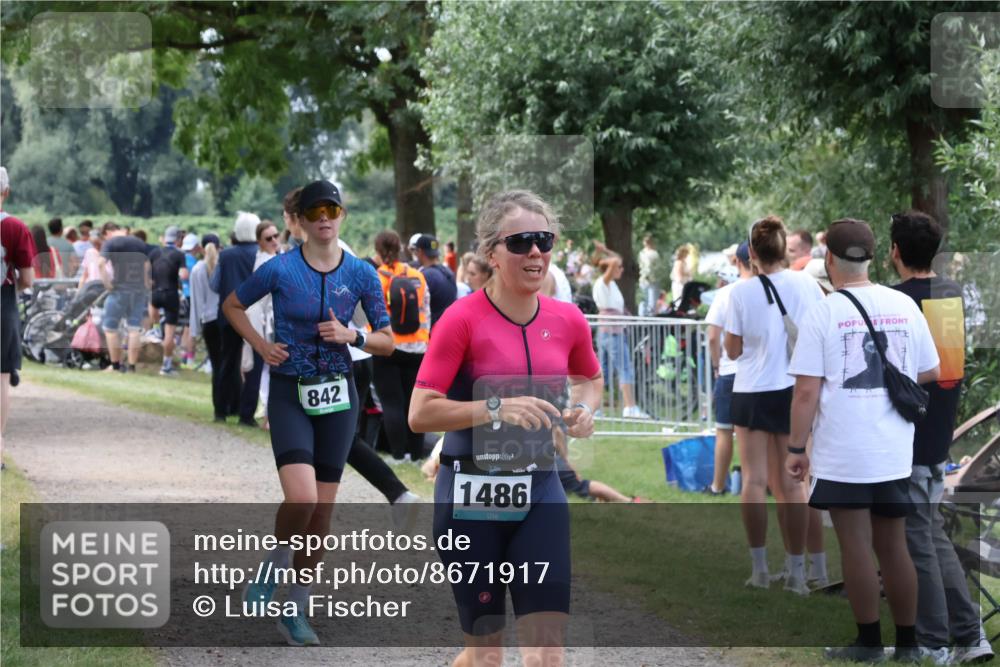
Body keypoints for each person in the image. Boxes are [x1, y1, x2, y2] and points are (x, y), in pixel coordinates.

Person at [409, 189, 603, 667]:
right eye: (520, 243)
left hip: (539, 492)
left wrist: (585, 411)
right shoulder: (461, 320)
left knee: (548, 651)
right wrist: (495, 407)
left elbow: (591, 379)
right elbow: (420, 413)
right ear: (492, 253)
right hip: (470, 499)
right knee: (487, 655)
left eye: (544, 240)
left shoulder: (568, 319)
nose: (535, 252)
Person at [226, 179, 394, 646]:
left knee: (322, 513)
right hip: (290, 391)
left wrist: (352, 336)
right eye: (314, 210)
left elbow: (387, 339)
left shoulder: (361, 273)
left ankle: (294, 609)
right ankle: (274, 564)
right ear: (299, 220)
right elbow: (233, 304)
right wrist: (261, 345)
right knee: (302, 499)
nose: (324, 216)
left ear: (342, 216)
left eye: (332, 208)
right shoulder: (280, 269)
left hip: (339, 396)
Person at [786, 218, 940, 662]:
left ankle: (869, 643)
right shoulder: (903, 304)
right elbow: (929, 369)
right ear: (874, 256)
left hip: (843, 450)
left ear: (829, 259)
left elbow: (806, 391)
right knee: (895, 545)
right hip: (893, 448)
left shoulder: (824, 311)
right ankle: (908, 646)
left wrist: (797, 449)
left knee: (855, 544)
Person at [890, 211, 994, 663]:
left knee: (920, 539)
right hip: (939, 428)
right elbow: (949, 371)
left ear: (894, 252)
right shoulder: (951, 293)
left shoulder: (895, 302)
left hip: (908, 434)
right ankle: (971, 636)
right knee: (931, 534)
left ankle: (935, 642)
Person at [724, 215, 823, 594]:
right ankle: (798, 572)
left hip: (750, 389)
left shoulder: (740, 292)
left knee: (754, 480)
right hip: (792, 388)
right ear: (784, 249)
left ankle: (760, 568)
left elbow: (733, 350)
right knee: (795, 483)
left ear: (751, 253)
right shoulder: (807, 285)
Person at [373, 230, 431, 463]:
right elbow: (426, 308)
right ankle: (417, 455)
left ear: (378, 252)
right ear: (401, 249)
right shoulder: (418, 275)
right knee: (413, 402)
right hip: (418, 347)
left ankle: (399, 455)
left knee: (391, 402)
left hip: (388, 346)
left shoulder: (377, 277)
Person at [703, 242, 752, 495]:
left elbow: (713, 336)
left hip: (730, 370)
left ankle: (718, 485)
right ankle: (757, 483)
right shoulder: (768, 292)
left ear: (737, 262)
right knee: (756, 434)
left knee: (724, 430)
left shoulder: (726, 294)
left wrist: (715, 365)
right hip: (760, 374)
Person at [211, 211, 262, 424]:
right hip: (254, 316)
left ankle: (221, 410)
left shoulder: (226, 255)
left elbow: (214, 285)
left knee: (226, 361)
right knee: (254, 366)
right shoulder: (261, 253)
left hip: (228, 315)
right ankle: (246, 414)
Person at [1, 166, 37, 465]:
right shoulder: (15, 227)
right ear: (6, 192)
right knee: (1, 378)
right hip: (3, 304)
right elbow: (27, 279)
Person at [592, 246, 649, 419]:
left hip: (610, 331)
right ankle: (630, 406)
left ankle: (595, 408)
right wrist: (604, 257)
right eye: (619, 268)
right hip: (612, 332)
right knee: (624, 368)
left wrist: (605, 252)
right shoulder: (604, 282)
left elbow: (617, 259)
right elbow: (616, 259)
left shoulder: (608, 284)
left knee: (603, 371)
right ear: (610, 268)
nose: (621, 269)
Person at [243, 220, 281, 427]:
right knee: (269, 370)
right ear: (260, 242)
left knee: (271, 369)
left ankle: (269, 414)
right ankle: (269, 415)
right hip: (267, 323)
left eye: (276, 236)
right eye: (269, 238)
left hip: (274, 321)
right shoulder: (264, 262)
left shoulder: (275, 258)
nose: (274, 240)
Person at [99, 225, 151, 373]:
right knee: (134, 329)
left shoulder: (111, 243)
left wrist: (107, 284)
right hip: (139, 290)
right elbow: (147, 265)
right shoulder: (139, 243)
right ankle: (132, 367)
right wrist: (146, 284)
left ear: (109, 233)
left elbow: (100, 263)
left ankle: (115, 366)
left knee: (110, 329)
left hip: (119, 290)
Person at [189, 235, 223, 411]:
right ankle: (233, 403)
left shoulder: (197, 270)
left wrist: (194, 331)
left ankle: (219, 406)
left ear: (202, 248)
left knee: (216, 365)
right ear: (219, 247)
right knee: (230, 364)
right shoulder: (223, 266)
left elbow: (196, 302)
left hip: (209, 321)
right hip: (226, 320)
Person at [149, 226, 188, 376]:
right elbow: (184, 275)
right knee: (170, 334)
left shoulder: (154, 252)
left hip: (155, 294)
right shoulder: (179, 255)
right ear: (178, 240)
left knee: (152, 306)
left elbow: (149, 279)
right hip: (171, 294)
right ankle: (166, 367)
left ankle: (156, 329)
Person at [414, 233, 457, 329]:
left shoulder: (425, 276)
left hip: (433, 332)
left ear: (420, 252)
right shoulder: (448, 272)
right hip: (449, 329)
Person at [179, 233, 201, 369]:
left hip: (184, 296)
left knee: (186, 329)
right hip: (193, 298)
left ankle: (183, 358)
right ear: (195, 247)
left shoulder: (181, 260)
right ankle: (190, 360)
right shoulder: (194, 263)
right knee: (192, 329)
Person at [638, 234, 660, 316]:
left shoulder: (642, 253)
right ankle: (648, 320)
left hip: (644, 279)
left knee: (644, 301)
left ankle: (642, 319)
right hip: (650, 280)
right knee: (650, 301)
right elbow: (654, 267)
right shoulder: (653, 253)